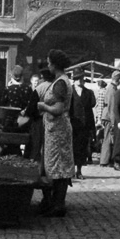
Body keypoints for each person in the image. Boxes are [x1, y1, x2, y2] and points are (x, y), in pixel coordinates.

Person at [36, 49, 75, 217]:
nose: (48, 65)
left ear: (55, 65)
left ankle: (58, 204)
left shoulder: (60, 83)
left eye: (49, 62)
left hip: (57, 128)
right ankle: (56, 202)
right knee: (59, 164)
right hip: (57, 128)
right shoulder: (63, 80)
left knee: (58, 165)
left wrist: (43, 106)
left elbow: (58, 109)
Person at [70, 70, 97, 179]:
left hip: (84, 125)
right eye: (78, 79)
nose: (80, 81)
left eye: (81, 79)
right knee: (71, 148)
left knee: (82, 148)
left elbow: (92, 105)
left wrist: (91, 127)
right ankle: (71, 171)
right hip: (73, 124)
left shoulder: (88, 92)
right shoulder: (70, 91)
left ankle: (79, 171)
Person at [99, 69, 120, 167]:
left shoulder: (110, 88)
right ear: (118, 80)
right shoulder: (112, 90)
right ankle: (104, 160)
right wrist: (114, 122)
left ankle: (105, 159)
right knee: (108, 139)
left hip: (107, 116)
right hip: (109, 117)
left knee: (108, 138)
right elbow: (112, 106)